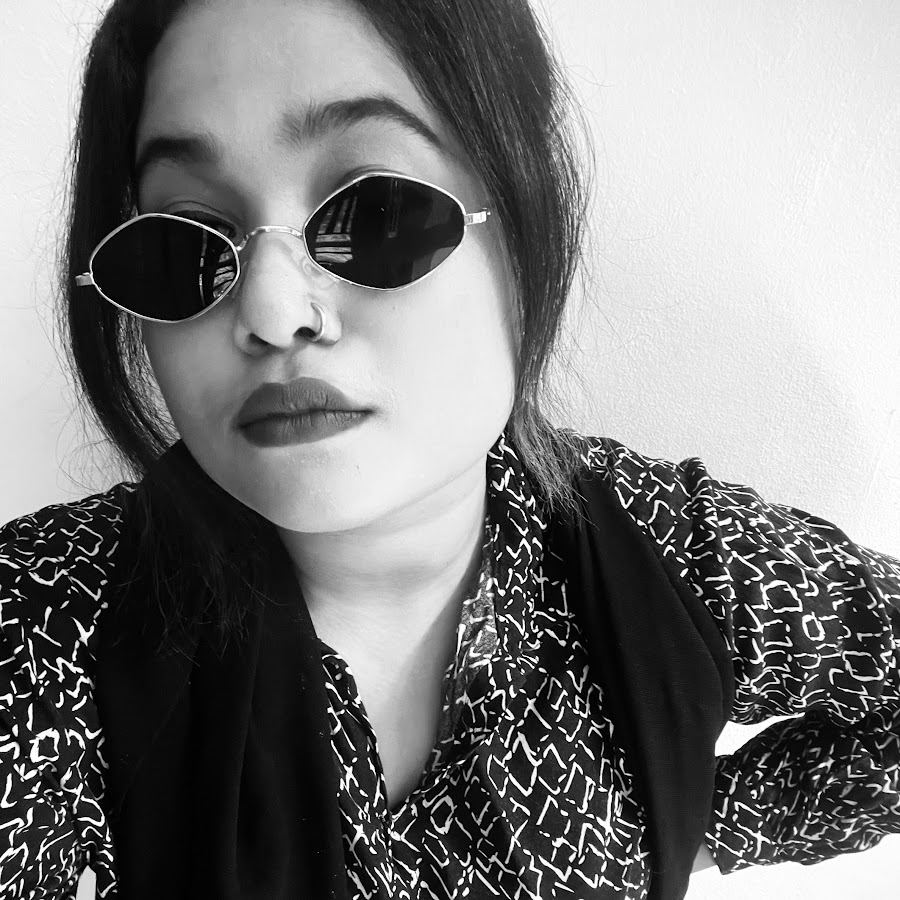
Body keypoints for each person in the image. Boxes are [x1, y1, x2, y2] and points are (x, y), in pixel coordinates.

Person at [1, 0, 898, 897]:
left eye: (375, 213)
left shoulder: (671, 553)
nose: (272, 313)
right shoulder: (48, 623)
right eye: (183, 242)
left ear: (526, 224)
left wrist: (698, 822)